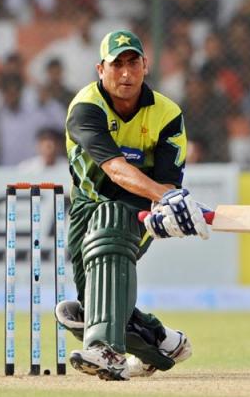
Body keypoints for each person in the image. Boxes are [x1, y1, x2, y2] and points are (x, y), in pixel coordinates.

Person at [54, 30, 209, 381]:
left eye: (133, 63)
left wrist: (165, 201)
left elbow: (168, 181)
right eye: (117, 64)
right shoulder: (86, 108)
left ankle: (107, 351)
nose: (126, 73)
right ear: (101, 69)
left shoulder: (167, 114)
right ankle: (162, 342)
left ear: (145, 66)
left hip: (137, 207)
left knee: (112, 224)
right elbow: (114, 168)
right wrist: (166, 197)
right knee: (94, 306)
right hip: (87, 202)